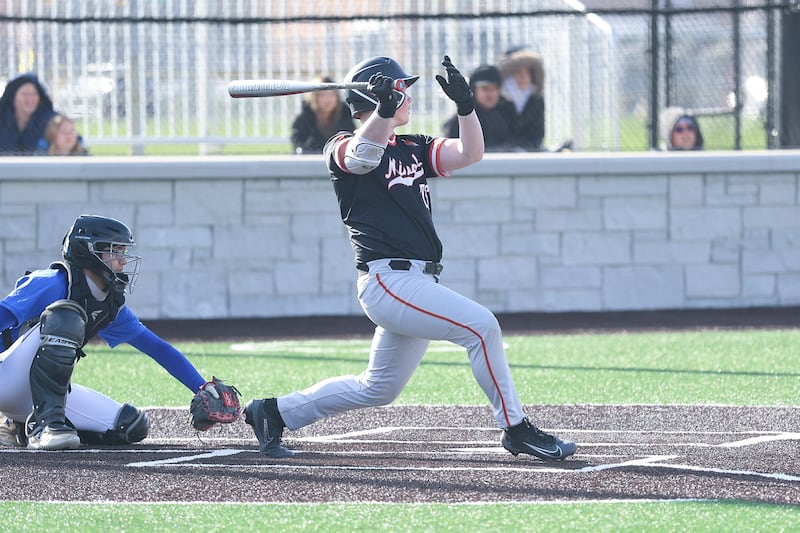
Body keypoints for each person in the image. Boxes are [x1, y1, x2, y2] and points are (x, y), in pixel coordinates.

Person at [243, 55, 577, 462]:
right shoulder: (341, 146)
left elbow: (470, 152)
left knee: (378, 388)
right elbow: (363, 157)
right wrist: (383, 111)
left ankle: (273, 412)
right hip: (388, 281)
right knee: (481, 327)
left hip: (418, 282)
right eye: (403, 90)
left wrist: (466, 106)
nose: (409, 97)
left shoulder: (413, 146)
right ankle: (516, 427)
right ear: (381, 95)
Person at [0, 215, 220, 450]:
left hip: (31, 396)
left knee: (130, 425)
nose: (123, 261)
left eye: (123, 252)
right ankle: (46, 427)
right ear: (88, 252)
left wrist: (203, 388)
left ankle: (22, 426)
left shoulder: (108, 304)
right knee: (66, 317)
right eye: (116, 252)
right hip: (5, 377)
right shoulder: (52, 282)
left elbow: (157, 348)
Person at [443, 64, 519, 152]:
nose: (490, 94)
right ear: (474, 89)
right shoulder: (462, 120)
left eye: (494, 89)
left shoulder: (508, 113)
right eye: (485, 89)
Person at [290, 76, 356, 154]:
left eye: (331, 94)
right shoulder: (303, 119)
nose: (328, 99)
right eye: (322, 95)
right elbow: (298, 145)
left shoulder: (345, 116)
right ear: (313, 97)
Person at [498, 48, 545, 151]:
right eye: (518, 72)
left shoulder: (536, 98)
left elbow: (538, 132)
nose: (523, 76)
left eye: (527, 72)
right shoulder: (499, 98)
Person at [0, 73, 58, 155]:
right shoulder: (2, 118)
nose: (29, 99)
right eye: (24, 94)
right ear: (13, 96)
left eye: (33, 94)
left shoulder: (53, 121)